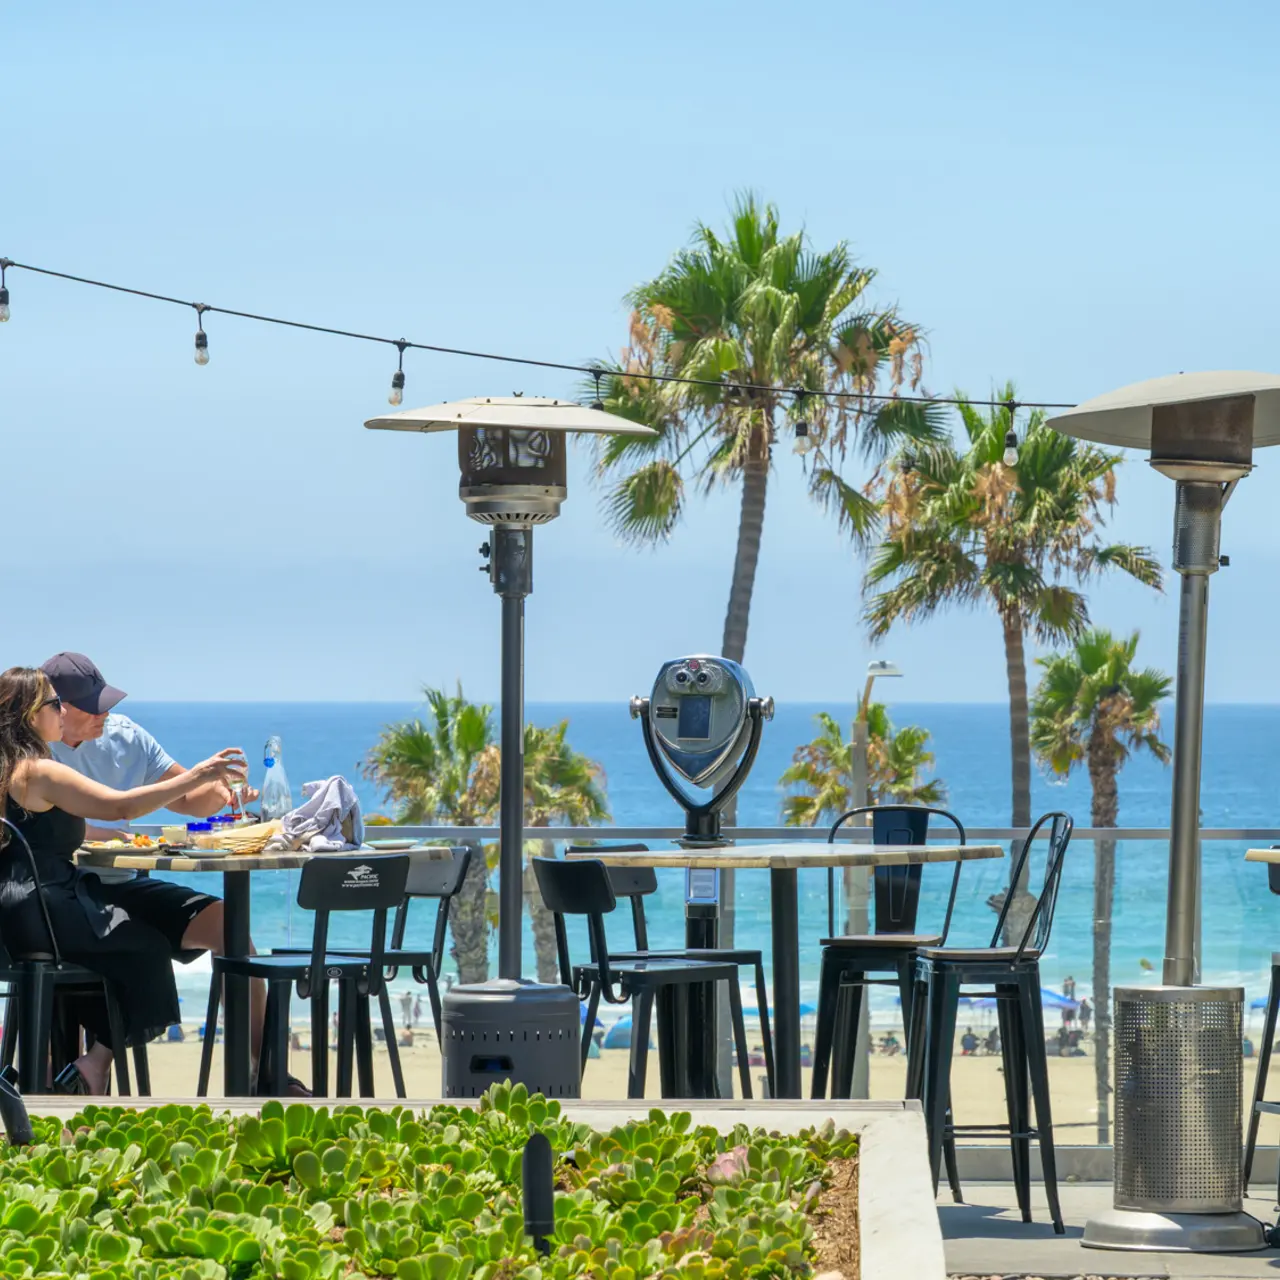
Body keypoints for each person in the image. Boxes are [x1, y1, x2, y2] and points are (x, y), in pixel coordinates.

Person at [0, 666, 252, 1094]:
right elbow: (121, 808)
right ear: (29, 714)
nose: (61, 710)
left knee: (123, 944)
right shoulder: (41, 770)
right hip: (47, 907)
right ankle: (95, 1065)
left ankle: (70, 1069)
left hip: (17, 913)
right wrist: (200, 774)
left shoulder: (9, 770)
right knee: (147, 945)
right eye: (53, 704)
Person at [41, 654, 259, 854]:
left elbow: (184, 798)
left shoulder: (127, 735)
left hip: (124, 877)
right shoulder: (28, 752)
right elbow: (62, 827)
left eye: (104, 702)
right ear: (55, 706)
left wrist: (218, 789)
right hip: (63, 880)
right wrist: (122, 838)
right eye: (92, 706)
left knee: (222, 900)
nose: (104, 713)